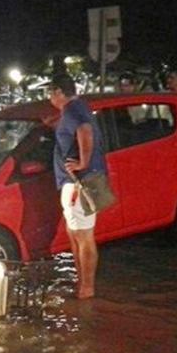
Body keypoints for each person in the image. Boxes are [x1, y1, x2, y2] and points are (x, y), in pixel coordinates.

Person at [49, 73, 108, 299]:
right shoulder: (77, 108)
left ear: (59, 92)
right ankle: (82, 283)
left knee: (83, 234)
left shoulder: (73, 110)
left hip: (80, 182)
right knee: (76, 232)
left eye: (51, 93)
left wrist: (83, 162)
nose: (49, 98)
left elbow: (84, 130)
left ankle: (86, 287)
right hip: (81, 181)